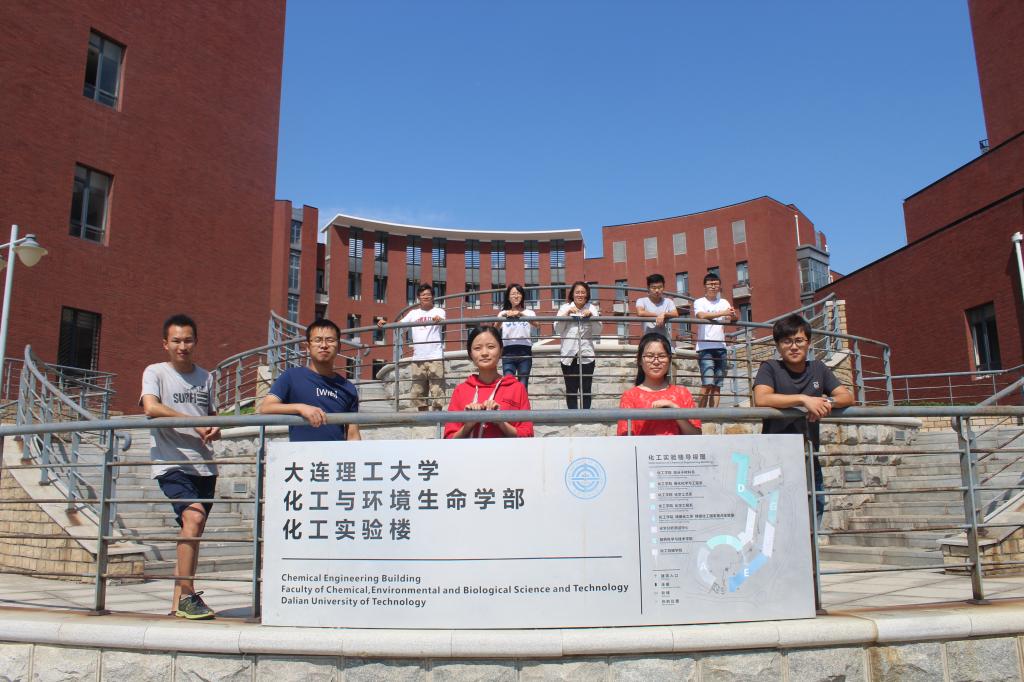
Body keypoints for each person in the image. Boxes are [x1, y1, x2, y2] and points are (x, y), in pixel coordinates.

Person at [140, 314, 220, 620]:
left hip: (205, 467)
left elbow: (211, 415)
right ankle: (188, 596)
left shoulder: (206, 377)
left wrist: (213, 427)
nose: (182, 346)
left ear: (195, 342)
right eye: (176, 341)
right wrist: (193, 422)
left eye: (187, 340)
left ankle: (177, 605)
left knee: (192, 531)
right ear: (165, 344)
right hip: (171, 462)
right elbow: (151, 407)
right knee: (194, 517)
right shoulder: (156, 372)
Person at [753, 314, 854, 526]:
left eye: (799, 340)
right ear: (778, 346)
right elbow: (761, 398)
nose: (793, 347)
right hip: (774, 458)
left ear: (808, 343)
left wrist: (825, 402)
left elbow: (847, 396)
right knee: (775, 519)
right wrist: (803, 399)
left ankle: (811, 548)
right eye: (786, 341)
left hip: (808, 455)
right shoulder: (770, 367)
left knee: (813, 513)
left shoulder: (818, 368)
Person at [258, 318, 360, 442]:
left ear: (339, 347)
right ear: (308, 347)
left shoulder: (348, 388)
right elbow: (266, 408)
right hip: (302, 453)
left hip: (335, 454)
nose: (324, 345)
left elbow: (353, 434)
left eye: (330, 340)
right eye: (318, 340)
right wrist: (300, 408)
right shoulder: (291, 376)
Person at [444, 326, 533, 438]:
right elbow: (449, 438)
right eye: (477, 348)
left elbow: (528, 435)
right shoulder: (461, 390)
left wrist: (501, 422)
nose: (484, 353)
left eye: (491, 347)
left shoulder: (517, 388)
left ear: (501, 350)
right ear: (470, 354)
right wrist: (469, 424)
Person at [617, 333, 701, 436]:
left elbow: (696, 436)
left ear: (669, 359)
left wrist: (676, 412)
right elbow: (624, 439)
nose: (656, 362)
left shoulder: (682, 394)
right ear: (639, 360)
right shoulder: (630, 396)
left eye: (662, 356)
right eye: (649, 356)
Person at [379, 284, 446, 411]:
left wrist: (439, 319)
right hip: (418, 358)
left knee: (437, 390)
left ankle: (437, 418)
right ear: (418, 298)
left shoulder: (439, 311)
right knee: (418, 392)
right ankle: (423, 419)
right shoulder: (413, 313)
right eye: (423, 295)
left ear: (433, 296)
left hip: (435, 356)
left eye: (428, 294)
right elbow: (399, 325)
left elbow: (442, 319)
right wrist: (385, 324)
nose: (425, 297)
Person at [555, 281, 602, 409]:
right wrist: (567, 314)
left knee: (586, 389)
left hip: (587, 355)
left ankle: (585, 416)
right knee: (571, 390)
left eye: (583, 292)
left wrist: (592, 317)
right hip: (568, 355)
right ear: (572, 294)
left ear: (587, 294)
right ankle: (573, 416)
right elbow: (557, 329)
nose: (580, 295)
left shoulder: (592, 308)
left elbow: (598, 331)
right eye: (577, 292)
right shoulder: (564, 307)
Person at [693, 273, 736, 408]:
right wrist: (723, 313)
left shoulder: (724, 302)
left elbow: (731, 318)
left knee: (717, 386)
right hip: (705, 348)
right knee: (707, 384)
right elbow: (701, 315)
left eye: (716, 284)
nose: (713, 286)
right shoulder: (699, 302)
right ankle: (699, 415)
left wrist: (732, 315)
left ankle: (714, 414)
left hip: (721, 347)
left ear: (719, 286)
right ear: (705, 286)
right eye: (710, 284)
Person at [497, 283, 538, 389]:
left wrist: (521, 315)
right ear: (508, 297)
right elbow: (495, 328)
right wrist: (503, 317)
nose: (516, 296)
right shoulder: (503, 313)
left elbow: (537, 325)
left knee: (523, 384)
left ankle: (523, 401)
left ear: (522, 296)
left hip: (525, 351)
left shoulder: (529, 312)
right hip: (508, 351)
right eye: (513, 294)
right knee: (508, 383)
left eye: (518, 293)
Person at [635, 273, 678, 343]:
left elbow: (675, 313)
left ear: (663, 287)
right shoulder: (641, 300)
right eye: (654, 288)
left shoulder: (668, 301)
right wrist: (659, 315)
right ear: (648, 288)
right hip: (648, 341)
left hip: (665, 341)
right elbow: (640, 312)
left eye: (660, 287)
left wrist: (664, 314)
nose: (657, 290)